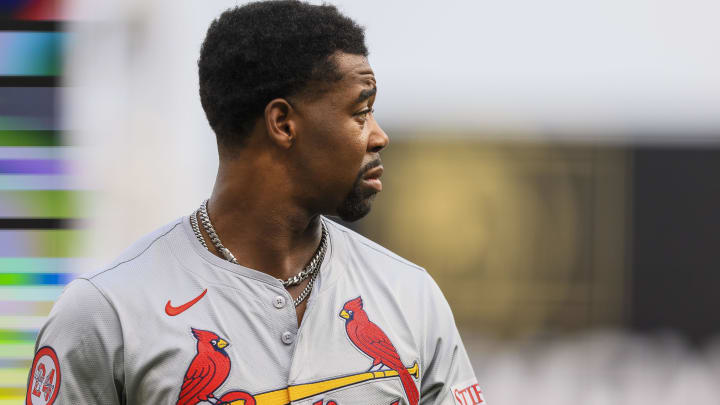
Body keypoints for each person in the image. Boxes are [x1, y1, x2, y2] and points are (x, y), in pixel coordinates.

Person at [26, 1, 485, 404]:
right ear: (283, 122)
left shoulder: (410, 294)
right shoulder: (108, 312)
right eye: (360, 112)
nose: (379, 136)